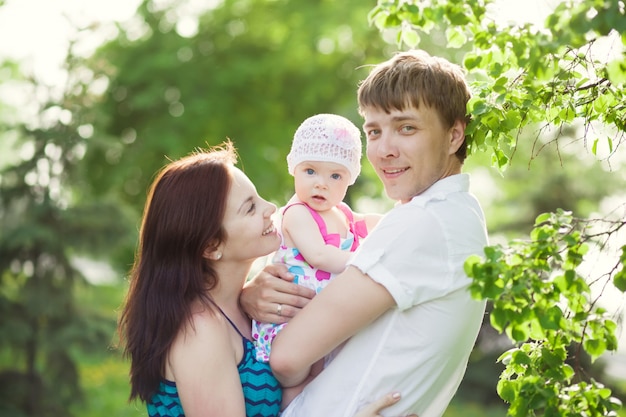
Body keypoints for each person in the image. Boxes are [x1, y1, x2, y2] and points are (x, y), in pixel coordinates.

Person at [240, 49, 489, 417]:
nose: (385, 150)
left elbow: (287, 357)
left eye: (407, 128)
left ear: (454, 136)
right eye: (374, 131)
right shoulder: (456, 215)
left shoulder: (424, 223)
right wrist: (252, 297)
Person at [117, 141, 415, 417]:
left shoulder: (249, 304)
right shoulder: (199, 330)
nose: (271, 209)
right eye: (250, 208)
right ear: (211, 246)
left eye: (259, 197)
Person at [252, 113, 381, 364]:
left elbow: (370, 221)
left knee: (326, 374)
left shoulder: (342, 213)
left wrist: (402, 215)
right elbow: (320, 256)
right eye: (310, 171)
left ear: (349, 179)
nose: (321, 184)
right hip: (291, 322)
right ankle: (289, 405)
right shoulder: (298, 213)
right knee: (301, 379)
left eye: (335, 176)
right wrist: (368, 260)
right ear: (295, 170)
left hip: (321, 321)